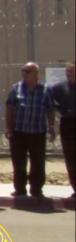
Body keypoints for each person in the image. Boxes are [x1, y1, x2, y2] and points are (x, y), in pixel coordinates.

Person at [6, 62, 56, 198]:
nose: (24, 73)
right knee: (19, 162)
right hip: (18, 131)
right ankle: (20, 189)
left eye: (27, 71)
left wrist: (51, 127)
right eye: (23, 71)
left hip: (38, 132)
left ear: (36, 73)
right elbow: (10, 108)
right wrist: (8, 127)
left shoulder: (46, 89)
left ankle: (36, 189)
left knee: (38, 162)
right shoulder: (16, 88)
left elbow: (51, 109)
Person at [51, 61, 75, 198]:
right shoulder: (60, 88)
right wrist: (61, 109)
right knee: (71, 157)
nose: (69, 73)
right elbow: (51, 102)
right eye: (67, 71)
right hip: (68, 124)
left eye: (72, 71)